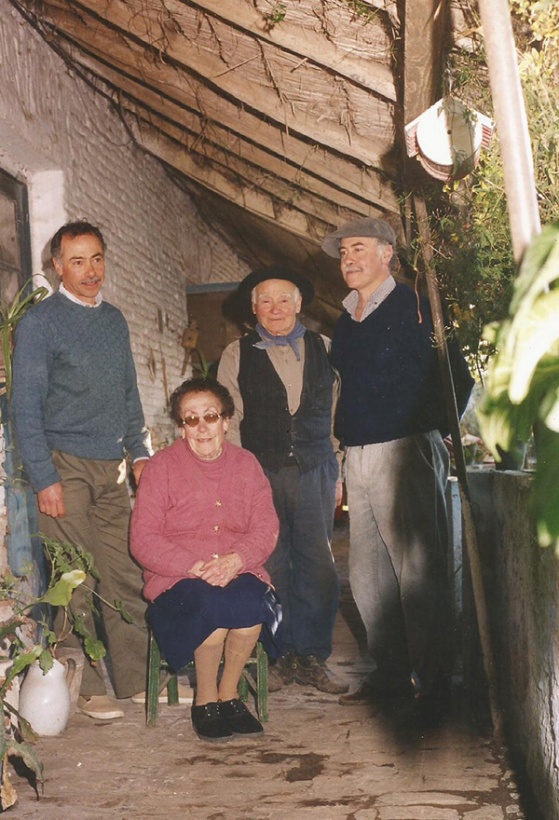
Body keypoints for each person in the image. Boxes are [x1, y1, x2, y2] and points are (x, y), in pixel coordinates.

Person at [322, 216, 474, 718]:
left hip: (405, 450)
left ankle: (434, 682)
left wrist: (431, 429)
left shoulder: (415, 306)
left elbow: (458, 376)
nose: (348, 259)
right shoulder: (345, 319)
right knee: (367, 574)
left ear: (387, 254)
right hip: (359, 453)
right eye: (344, 252)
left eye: (358, 248)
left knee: (417, 571)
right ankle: (389, 674)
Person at [11, 220, 153, 721]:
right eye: (77, 261)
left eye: (97, 259)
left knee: (123, 572)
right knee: (76, 579)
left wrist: (139, 451)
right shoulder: (40, 324)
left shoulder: (113, 320)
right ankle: (88, 684)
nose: (90, 271)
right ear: (57, 266)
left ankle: (135, 677)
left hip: (111, 466)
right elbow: (25, 408)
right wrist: (44, 477)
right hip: (63, 465)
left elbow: (129, 393)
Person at [218, 264, 347, 695]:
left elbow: (338, 415)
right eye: (266, 301)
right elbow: (230, 419)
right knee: (269, 563)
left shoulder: (326, 348)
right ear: (254, 308)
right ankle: (277, 656)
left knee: (318, 564)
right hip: (260, 472)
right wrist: (237, 478)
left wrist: (338, 470)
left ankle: (312, 657)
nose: (275, 308)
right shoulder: (236, 353)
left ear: (299, 303)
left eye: (284, 299)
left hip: (315, 468)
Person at [130, 377, 282, 742]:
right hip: (178, 576)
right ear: (181, 427)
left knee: (251, 608)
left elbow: (266, 526)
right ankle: (205, 700)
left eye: (210, 416)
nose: (202, 427)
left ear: (226, 421)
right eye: (191, 419)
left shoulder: (247, 464)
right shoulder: (161, 468)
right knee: (211, 611)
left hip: (238, 568)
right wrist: (192, 566)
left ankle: (229, 695)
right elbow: (143, 539)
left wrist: (236, 559)